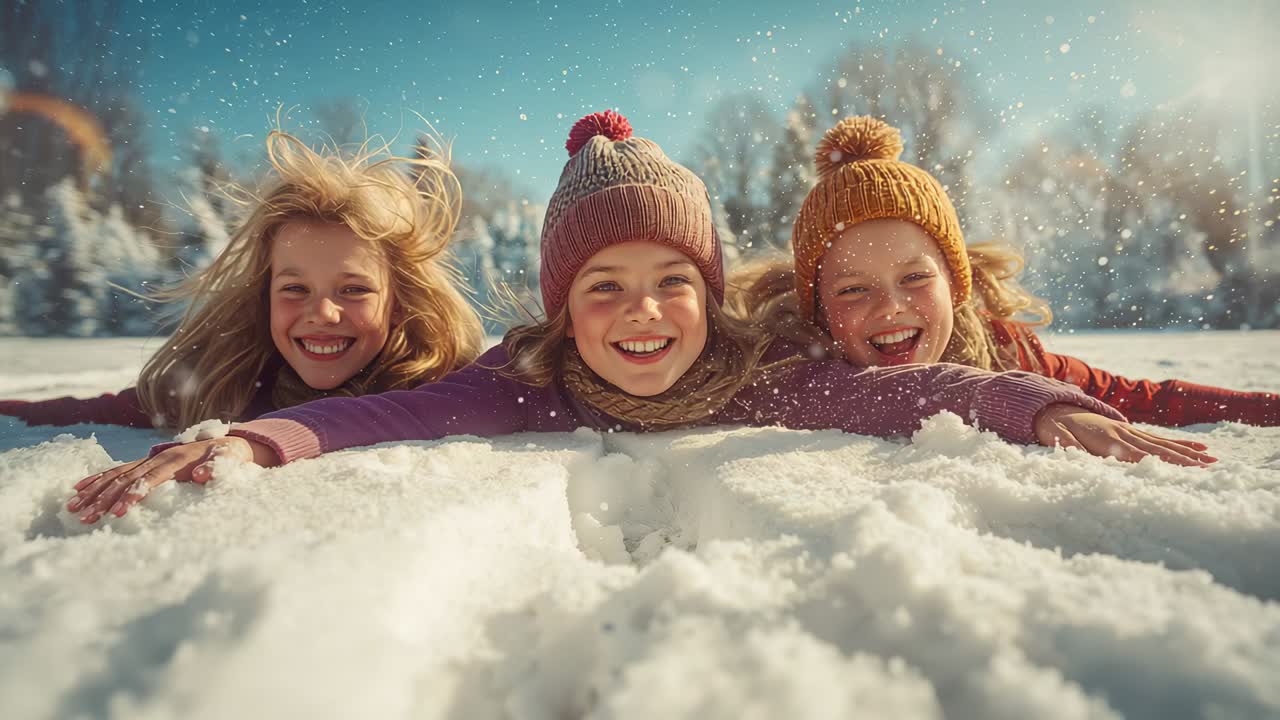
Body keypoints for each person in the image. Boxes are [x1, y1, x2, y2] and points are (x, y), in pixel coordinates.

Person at [67, 110, 1214, 525]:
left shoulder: (760, 372)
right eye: (600, 289)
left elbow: (920, 388)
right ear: (563, 313)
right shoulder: (529, 382)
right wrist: (252, 438)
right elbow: (388, 417)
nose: (641, 312)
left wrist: (1045, 408)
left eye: (670, 281)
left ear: (708, 297)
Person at [730, 115, 1278, 427]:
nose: (891, 306)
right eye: (853, 288)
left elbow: (1142, 397)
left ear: (955, 281)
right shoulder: (786, 365)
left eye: (916, 278)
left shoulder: (1007, 351)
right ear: (819, 307)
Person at [1, 128, 485, 431]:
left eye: (354, 289)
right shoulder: (225, 385)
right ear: (265, 296)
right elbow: (91, 412)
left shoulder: (446, 391)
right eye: (294, 288)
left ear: (399, 302)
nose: (321, 312)